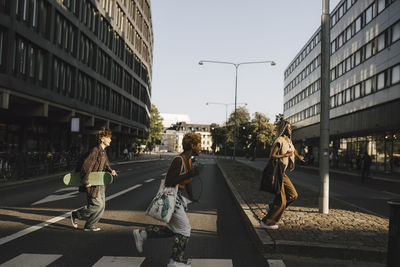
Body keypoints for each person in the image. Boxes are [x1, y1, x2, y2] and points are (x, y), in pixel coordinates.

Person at [132, 132, 201, 267]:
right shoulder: (178, 160)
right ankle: (175, 261)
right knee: (185, 229)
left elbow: (187, 181)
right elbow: (169, 181)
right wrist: (189, 173)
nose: (200, 148)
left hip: (178, 197)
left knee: (177, 229)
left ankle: (143, 234)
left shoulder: (188, 160)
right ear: (192, 145)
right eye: (199, 145)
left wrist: (192, 196)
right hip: (172, 197)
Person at [260, 119, 305, 230]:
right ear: (284, 129)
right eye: (289, 128)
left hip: (283, 173)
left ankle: (271, 206)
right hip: (277, 171)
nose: (290, 130)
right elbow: (272, 155)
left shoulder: (289, 141)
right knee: (282, 201)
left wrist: (299, 157)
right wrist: (285, 155)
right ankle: (267, 222)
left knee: (293, 195)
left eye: (291, 128)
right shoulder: (279, 140)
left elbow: (293, 150)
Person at [70, 128, 117, 231]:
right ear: (102, 138)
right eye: (109, 138)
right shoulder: (95, 150)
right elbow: (86, 166)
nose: (110, 140)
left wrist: (111, 170)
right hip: (91, 183)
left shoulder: (103, 152)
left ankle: (90, 225)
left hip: (100, 183)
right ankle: (76, 214)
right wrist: (86, 181)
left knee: (102, 206)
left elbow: (106, 164)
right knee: (97, 205)